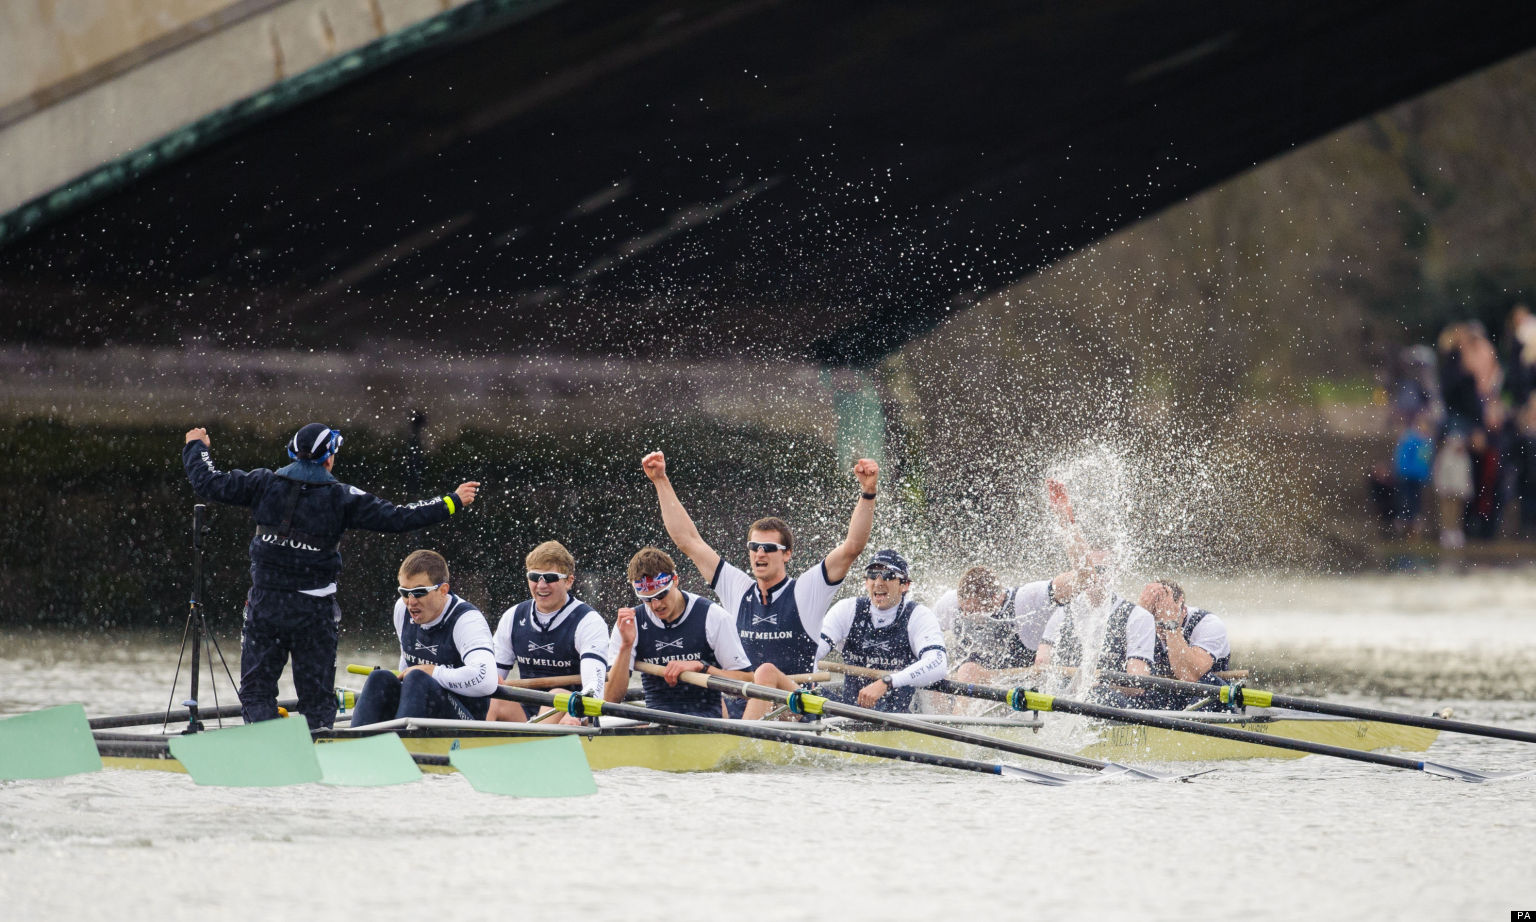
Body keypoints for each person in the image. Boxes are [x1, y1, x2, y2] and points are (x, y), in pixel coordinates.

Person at [182, 422, 479, 729]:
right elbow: (400, 517)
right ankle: (317, 744)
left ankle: (266, 744)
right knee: (316, 701)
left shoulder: (262, 483)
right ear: (329, 458)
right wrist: (451, 501)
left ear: (292, 453)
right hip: (314, 614)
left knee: (256, 693)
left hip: (265, 608)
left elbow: (207, 482)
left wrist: (196, 447)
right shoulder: (342, 497)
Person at [641, 450, 878, 719]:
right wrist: (660, 480)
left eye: (768, 547)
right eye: (754, 547)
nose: (759, 553)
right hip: (745, 704)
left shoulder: (805, 591)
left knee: (765, 671)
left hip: (797, 707)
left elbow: (852, 547)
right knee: (697, 671)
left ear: (787, 553)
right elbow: (689, 542)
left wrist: (868, 493)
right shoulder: (738, 588)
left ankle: (741, 749)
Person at [350, 550, 498, 725]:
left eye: (419, 592)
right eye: (405, 592)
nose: (411, 602)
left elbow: (487, 681)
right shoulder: (401, 609)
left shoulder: (467, 621)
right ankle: (355, 742)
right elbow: (405, 664)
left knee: (417, 678)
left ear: (443, 590)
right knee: (379, 678)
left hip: (464, 720)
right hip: (422, 708)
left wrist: (434, 672)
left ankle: (398, 742)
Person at [603, 547, 754, 718]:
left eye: (661, 595)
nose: (656, 605)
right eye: (646, 599)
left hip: (708, 725)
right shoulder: (631, 623)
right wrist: (626, 645)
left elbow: (747, 684)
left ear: (675, 580)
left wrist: (703, 667)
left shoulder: (713, 616)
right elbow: (610, 698)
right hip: (656, 725)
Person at [488, 541, 610, 724]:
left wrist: (579, 712)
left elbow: (595, 687)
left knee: (557, 695)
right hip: (525, 716)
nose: (541, 585)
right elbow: (491, 676)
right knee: (491, 699)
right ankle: (470, 746)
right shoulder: (512, 617)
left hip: (571, 712)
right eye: (535, 576)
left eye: (550, 577)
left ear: (569, 581)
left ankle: (529, 745)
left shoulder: (588, 622)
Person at [817, 550, 947, 712]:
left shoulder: (918, 616)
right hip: (847, 712)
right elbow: (812, 651)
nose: (878, 582)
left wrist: (887, 682)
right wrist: (808, 673)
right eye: (872, 575)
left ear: (904, 585)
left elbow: (938, 664)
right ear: (866, 582)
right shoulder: (847, 609)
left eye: (888, 575)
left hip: (897, 719)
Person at [934, 565, 1054, 684]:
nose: (965, 615)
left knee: (968, 671)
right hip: (969, 673)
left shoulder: (1024, 601)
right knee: (943, 673)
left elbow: (1063, 596)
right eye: (963, 609)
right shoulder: (949, 603)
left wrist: (1046, 643)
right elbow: (925, 631)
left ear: (995, 598)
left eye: (971, 611)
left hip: (1018, 675)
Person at [1137, 578, 1231, 709]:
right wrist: (1139, 619)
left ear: (1183, 611)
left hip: (1208, 699)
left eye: (1162, 623)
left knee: (1206, 683)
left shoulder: (1209, 624)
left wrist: (1170, 624)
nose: (1159, 630)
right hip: (1165, 698)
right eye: (1155, 623)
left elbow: (1189, 675)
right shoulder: (1140, 620)